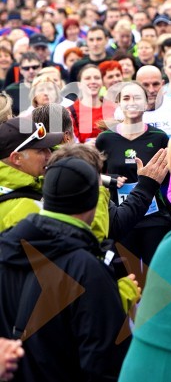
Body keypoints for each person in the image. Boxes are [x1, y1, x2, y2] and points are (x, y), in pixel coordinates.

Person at [0, 157, 130, 380]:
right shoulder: (88, 269)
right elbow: (105, 363)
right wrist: (118, 298)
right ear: (94, 201)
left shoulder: (5, 247)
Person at [96, 81, 171, 266]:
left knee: (154, 275)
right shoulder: (105, 139)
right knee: (127, 276)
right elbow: (95, 177)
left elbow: (168, 179)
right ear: (120, 104)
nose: (132, 102)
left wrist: (150, 178)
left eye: (137, 98)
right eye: (126, 98)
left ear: (146, 104)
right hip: (121, 219)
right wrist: (110, 180)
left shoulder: (159, 137)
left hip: (153, 218)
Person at [0, 117, 63, 230]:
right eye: (40, 150)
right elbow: (82, 244)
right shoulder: (25, 210)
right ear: (17, 158)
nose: (49, 155)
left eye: (48, 148)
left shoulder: (8, 187)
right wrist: (96, 190)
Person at [136, 65, 171, 136]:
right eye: (145, 85)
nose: (151, 90)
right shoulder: (124, 113)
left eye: (155, 84)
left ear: (162, 84)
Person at [71, 64, 105, 144]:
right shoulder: (70, 112)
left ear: (102, 82)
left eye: (97, 78)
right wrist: (85, 147)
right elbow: (68, 145)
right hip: (83, 155)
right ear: (79, 85)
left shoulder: (113, 109)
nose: (93, 81)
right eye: (87, 78)